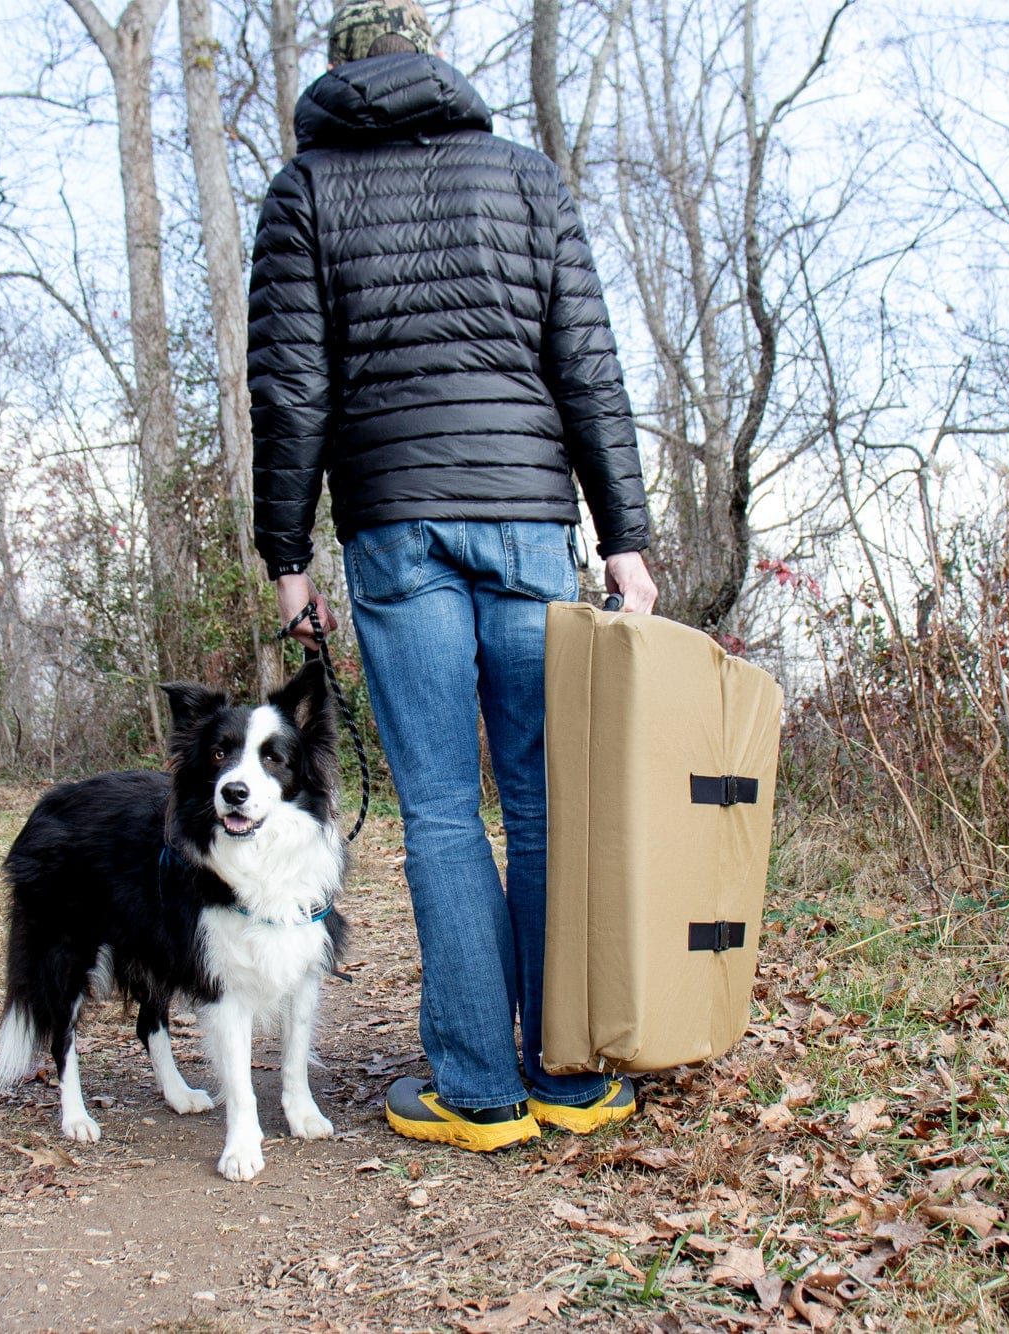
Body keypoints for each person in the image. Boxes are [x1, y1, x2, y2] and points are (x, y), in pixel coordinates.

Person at [247, 0, 657, 1152]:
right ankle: (567, 1075)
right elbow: (587, 363)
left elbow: (288, 390)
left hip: (393, 528)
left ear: (341, 65)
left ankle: (475, 1090)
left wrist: (288, 555)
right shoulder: (523, 176)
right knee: (538, 801)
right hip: (529, 520)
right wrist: (620, 532)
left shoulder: (305, 189)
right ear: (430, 55)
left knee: (438, 808)